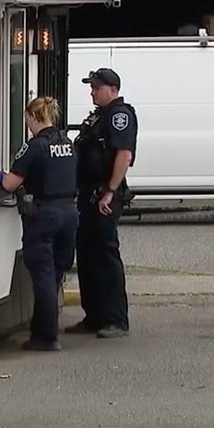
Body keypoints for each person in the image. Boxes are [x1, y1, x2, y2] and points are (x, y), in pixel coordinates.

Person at [0, 96, 79, 352]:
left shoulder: (34, 147)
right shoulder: (68, 144)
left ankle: (46, 337)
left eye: (27, 118)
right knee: (53, 276)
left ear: (33, 117)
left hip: (44, 216)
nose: (27, 124)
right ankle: (40, 330)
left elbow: (10, 184)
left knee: (42, 277)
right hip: (69, 213)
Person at [70, 68, 138, 339]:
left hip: (104, 195)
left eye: (96, 88)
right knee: (87, 255)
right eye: (92, 87)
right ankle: (94, 316)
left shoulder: (120, 116)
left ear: (112, 88)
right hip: (87, 194)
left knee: (106, 256)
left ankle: (115, 319)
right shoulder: (100, 116)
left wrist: (110, 190)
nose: (92, 92)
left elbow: (124, 155)